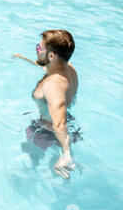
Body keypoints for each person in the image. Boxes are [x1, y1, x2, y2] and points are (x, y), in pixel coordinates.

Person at [13, 30, 79, 179]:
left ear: (51, 56)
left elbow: (60, 124)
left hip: (45, 134)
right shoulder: (70, 70)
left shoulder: (53, 86)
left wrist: (66, 155)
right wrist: (26, 59)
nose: (36, 50)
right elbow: (51, 69)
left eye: (39, 48)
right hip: (68, 124)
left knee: (28, 168)